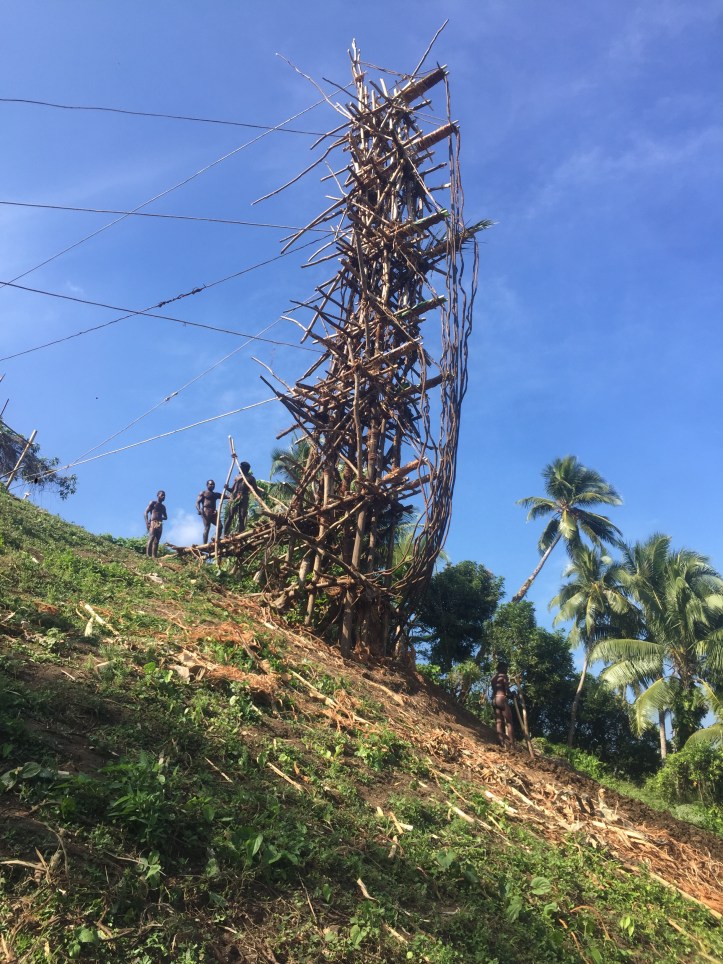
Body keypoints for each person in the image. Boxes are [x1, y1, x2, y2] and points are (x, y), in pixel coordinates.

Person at [224, 461, 261, 536]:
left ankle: (240, 533)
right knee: (230, 515)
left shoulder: (251, 478)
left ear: (245, 468)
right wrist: (227, 488)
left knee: (242, 516)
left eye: (241, 467)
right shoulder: (237, 477)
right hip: (235, 497)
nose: (239, 468)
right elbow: (232, 489)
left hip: (244, 497)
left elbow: (255, 489)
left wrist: (260, 497)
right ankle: (225, 533)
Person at [490, 661, 516, 750]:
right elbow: (507, 691)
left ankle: (500, 741)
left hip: (494, 700)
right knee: (509, 722)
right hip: (501, 699)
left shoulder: (493, 678)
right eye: (506, 668)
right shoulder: (504, 676)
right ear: (502, 668)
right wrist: (512, 694)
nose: (507, 669)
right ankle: (512, 744)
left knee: (499, 721)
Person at [144, 490, 167, 558]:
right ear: (158, 495)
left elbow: (166, 517)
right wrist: (147, 522)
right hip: (153, 522)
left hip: (159, 523)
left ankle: (154, 556)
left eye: (164, 495)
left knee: (157, 540)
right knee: (152, 537)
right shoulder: (153, 503)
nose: (163, 496)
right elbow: (145, 512)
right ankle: (148, 555)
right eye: (162, 495)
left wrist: (160, 518)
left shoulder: (163, 507)